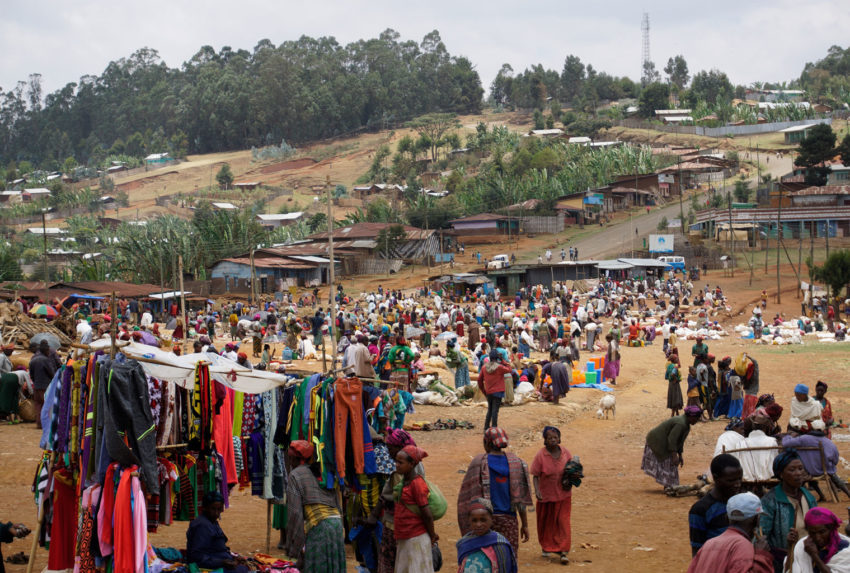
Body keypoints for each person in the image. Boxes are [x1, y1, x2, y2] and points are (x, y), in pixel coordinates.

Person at [457, 428, 532, 554]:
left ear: (486, 443)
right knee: (507, 556)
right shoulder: (516, 463)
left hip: (483, 519)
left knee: (485, 556)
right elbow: (520, 499)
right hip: (509, 520)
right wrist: (524, 524)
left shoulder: (478, 462)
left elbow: (467, 493)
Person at [284, 440, 346, 572]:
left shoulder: (295, 475)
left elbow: (294, 513)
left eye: (290, 458)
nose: (289, 462)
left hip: (319, 528)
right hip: (336, 526)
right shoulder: (322, 471)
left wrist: (295, 548)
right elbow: (337, 501)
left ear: (294, 459)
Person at [760, 449, 819, 572]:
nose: (798, 473)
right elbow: (762, 533)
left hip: (809, 556)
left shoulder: (808, 497)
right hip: (782, 560)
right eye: (792, 470)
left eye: (801, 468)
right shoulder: (771, 500)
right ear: (781, 474)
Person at [687, 492, 773, 573]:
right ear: (756, 520)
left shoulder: (708, 544)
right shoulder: (743, 546)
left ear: (727, 518)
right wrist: (761, 556)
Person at [530, 426, 573, 565]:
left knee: (563, 521)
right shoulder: (541, 455)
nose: (553, 440)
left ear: (559, 438)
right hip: (546, 496)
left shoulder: (566, 453)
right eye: (549, 438)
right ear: (545, 440)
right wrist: (537, 491)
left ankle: (563, 550)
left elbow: (572, 468)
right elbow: (536, 475)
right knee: (546, 523)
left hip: (563, 495)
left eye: (555, 437)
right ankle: (547, 546)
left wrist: (573, 476)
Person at [394, 445, 438, 573]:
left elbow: (426, 514)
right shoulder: (404, 482)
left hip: (416, 538)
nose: (396, 465)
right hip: (406, 536)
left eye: (400, 462)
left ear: (412, 464)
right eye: (396, 461)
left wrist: (432, 536)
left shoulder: (416, 484)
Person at [689, 454, 744, 556]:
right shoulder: (701, 510)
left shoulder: (742, 503)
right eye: (731, 480)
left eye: (739, 479)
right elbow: (697, 551)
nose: (738, 484)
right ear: (715, 478)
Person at [782, 420, 850, 502]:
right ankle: (848, 493)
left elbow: (785, 444)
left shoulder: (804, 439)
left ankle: (816, 496)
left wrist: (789, 436)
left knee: (804, 471)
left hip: (809, 470)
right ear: (823, 430)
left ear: (811, 428)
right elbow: (835, 459)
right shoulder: (828, 442)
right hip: (826, 470)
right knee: (834, 475)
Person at [641, 406, 702, 491]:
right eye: (697, 418)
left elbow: (680, 441)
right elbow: (672, 440)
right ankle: (669, 485)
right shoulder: (680, 423)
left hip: (665, 442)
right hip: (657, 441)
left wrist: (680, 455)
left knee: (672, 462)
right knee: (669, 461)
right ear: (691, 416)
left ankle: (670, 484)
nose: (697, 420)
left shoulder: (686, 424)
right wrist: (674, 456)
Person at [186, 492, 250, 573]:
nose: (216, 513)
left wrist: (232, 558)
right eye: (213, 509)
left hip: (217, 559)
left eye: (219, 509)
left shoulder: (211, 521)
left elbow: (218, 547)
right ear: (205, 508)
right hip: (205, 566)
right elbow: (197, 557)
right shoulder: (202, 525)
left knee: (245, 567)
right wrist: (222, 562)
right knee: (242, 570)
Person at [456, 498, 518, 573]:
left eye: (483, 520)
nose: (478, 525)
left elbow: (505, 569)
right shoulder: (464, 544)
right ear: (469, 521)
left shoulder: (500, 545)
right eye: (474, 520)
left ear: (491, 520)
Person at [789, 507, 850, 572]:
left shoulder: (844, 548)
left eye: (822, 532)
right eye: (812, 533)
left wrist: (815, 556)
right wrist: (791, 547)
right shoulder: (803, 545)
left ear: (831, 529)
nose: (817, 538)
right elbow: (791, 568)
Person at [28, 340, 57, 429]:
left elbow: (31, 374)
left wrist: (35, 381)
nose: (49, 353)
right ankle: (46, 423)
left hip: (36, 385)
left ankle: (39, 423)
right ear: (46, 351)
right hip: (45, 386)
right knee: (47, 405)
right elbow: (51, 373)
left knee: (38, 405)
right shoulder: (46, 360)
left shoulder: (33, 359)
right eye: (48, 351)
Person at [481, 349, 511, 429]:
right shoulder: (499, 367)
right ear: (497, 357)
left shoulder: (484, 367)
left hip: (489, 392)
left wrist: (484, 391)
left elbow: (479, 380)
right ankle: (494, 428)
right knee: (495, 410)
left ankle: (486, 428)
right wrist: (503, 360)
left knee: (490, 410)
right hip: (498, 392)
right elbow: (509, 369)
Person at [666, 352, 683, 417]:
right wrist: (676, 379)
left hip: (670, 384)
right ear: (674, 360)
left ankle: (677, 412)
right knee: (676, 398)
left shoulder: (669, 366)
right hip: (675, 383)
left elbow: (666, 376)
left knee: (672, 397)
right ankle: (673, 414)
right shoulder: (675, 367)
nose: (678, 360)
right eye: (677, 359)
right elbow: (673, 374)